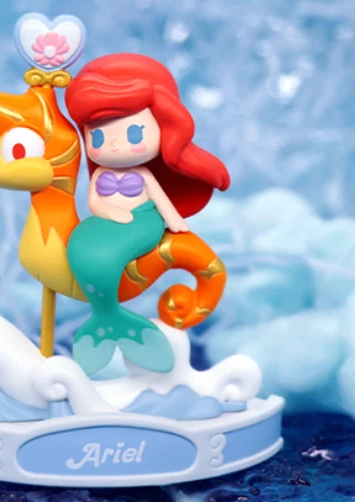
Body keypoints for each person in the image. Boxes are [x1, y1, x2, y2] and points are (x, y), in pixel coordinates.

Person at [65, 53, 230, 376]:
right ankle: (106, 313)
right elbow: (94, 202)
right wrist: (109, 211)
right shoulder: (101, 176)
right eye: (98, 137)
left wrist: (176, 223)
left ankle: (110, 311)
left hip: (142, 220)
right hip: (108, 222)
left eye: (133, 134)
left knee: (109, 250)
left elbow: (161, 200)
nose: (113, 146)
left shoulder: (143, 174)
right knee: (81, 239)